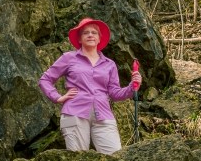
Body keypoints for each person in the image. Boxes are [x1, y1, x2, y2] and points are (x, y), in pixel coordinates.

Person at [38, 17, 141, 153]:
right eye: (85, 33)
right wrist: (57, 97)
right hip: (73, 113)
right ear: (79, 39)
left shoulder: (109, 64)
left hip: (104, 114)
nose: (90, 35)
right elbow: (45, 79)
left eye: (94, 32)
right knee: (78, 158)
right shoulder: (69, 58)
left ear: (99, 39)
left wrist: (132, 87)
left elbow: (115, 93)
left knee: (115, 156)